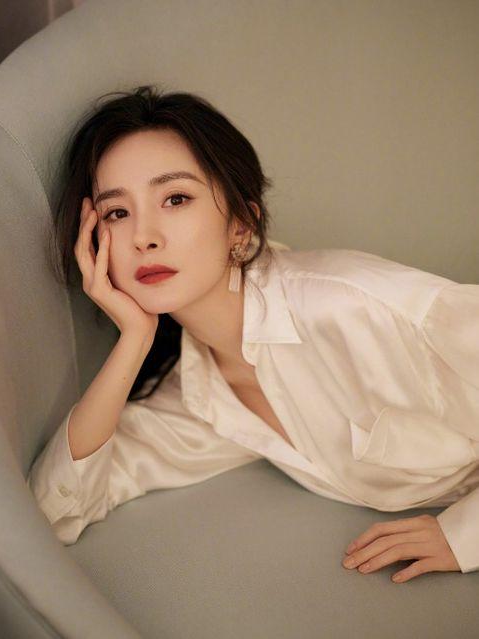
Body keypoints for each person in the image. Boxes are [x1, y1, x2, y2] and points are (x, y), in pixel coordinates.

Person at [27, 84, 479, 584]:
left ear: (241, 225)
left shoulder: (357, 309)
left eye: (175, 198)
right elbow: (55, 510)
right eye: (117, 212)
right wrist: (134, 339)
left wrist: (462, 536)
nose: (143, 237)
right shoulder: (199, 397)